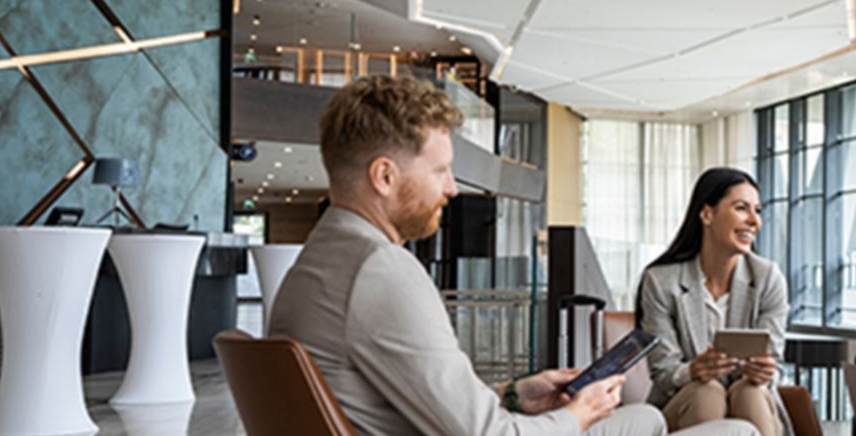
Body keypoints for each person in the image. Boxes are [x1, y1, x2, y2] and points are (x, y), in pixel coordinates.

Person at [268, 75, 756, 436]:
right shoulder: (383, 272)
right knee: (738, 433)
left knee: (646, 418)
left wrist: (514, 394)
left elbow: (417, 399)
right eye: (439, 171)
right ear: (384, 176)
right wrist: (577, 414)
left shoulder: (318, 264)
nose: (452, 188)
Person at [635, 168, 793, 436]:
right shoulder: (661, 281)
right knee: (706, 392)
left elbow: (774, 365)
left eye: (757, 210)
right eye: (741, 208)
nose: (754, 221)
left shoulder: (768, 278)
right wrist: (693, 371)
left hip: (752, 404)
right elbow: (663, 372)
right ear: (707, 214)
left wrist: (765, 372)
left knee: (750, 392)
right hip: (687, 407)